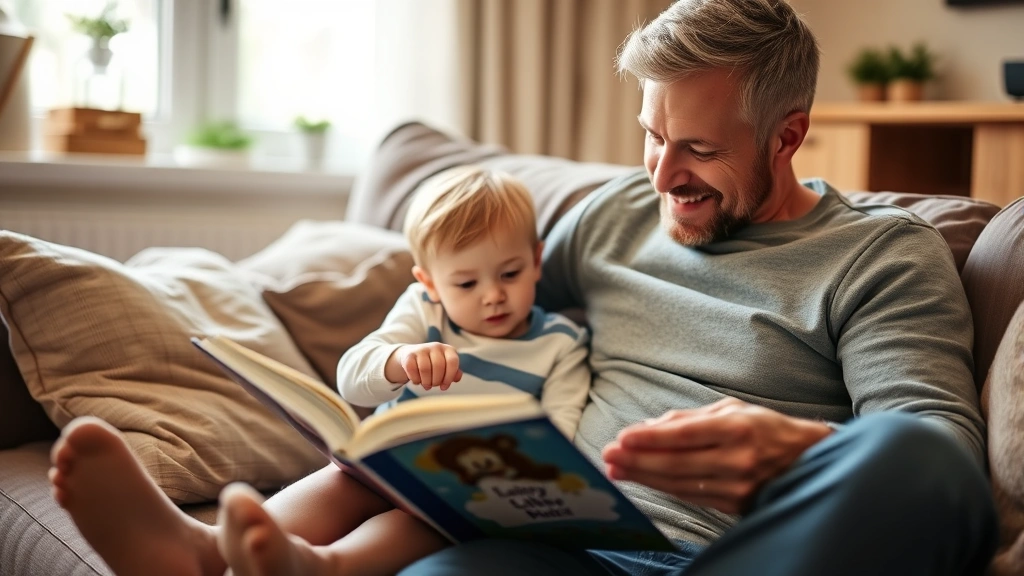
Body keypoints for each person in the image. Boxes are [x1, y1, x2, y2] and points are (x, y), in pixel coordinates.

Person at [48, 0, 999, 575]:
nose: (663, 176)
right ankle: (194, 553)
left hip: (727, 555)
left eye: (700, 150)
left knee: (910, 466)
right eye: (650, 136)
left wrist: (797, 448)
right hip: (548, 547)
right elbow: (475, 285)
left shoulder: (883, 257)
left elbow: (939, 463)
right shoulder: (615, 215)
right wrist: (403, 362)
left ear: (788, 136)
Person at [48, 166, 591, 576]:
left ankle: (322, 567)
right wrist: (397, 361)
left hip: (469, 494)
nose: (493, 295)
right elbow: (354, 375)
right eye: (467, 284)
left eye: (511, 273)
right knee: (341, 480)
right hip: (393, 461)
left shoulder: (560, 344)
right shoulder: (423, 312)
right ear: (429, 282)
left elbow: (566, 433)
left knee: (420, 520)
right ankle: (202, 548)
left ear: (537, 261)